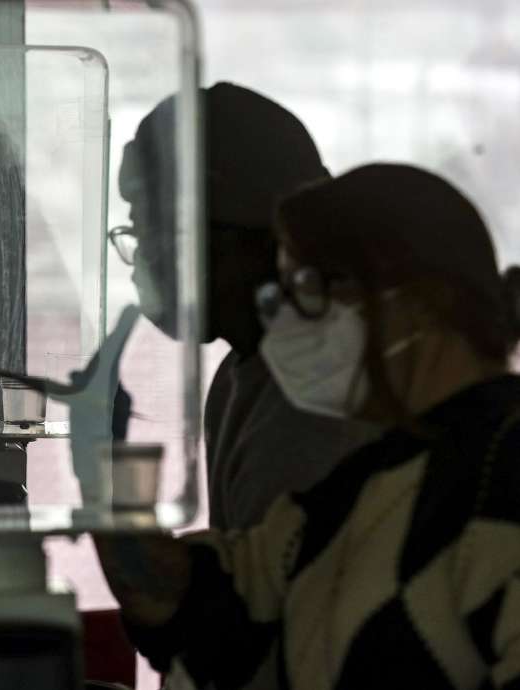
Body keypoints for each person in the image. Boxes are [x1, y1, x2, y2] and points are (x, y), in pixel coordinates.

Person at [97, 163, 520, 689]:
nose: (286, 324)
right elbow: (177, 596)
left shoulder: (500, 476)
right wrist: (109, 470)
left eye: (309, 288)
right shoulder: (356, 489)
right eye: (281, 297)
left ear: (425, 296)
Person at [112, 82, 378, 531]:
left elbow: (241, 595)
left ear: (236, 238)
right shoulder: (243, 374)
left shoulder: (315, 404)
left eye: (152, 232)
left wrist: (109, 456)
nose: (142, 259)